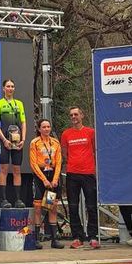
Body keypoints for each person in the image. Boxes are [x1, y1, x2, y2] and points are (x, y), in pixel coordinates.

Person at [60, 106, 100, 249]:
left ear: (82, 116)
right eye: (71, 115)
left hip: (88, 173)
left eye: (76, 114)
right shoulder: (66, 134)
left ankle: (93, 236)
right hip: (72, 174)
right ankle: (77, 237)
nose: (73, 117)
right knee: (73, 207)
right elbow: (64, 153)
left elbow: (96, 150)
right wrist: (73, 163)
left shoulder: (91, 132)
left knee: (91, 206)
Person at [29, 119, 65, 249]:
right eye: (44, 127)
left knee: (51, 207)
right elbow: (33, 163)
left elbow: (59, 162)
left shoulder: (55, 142)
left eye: (48, 126)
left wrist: (55, 179)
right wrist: (44, 179)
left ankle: (54, 240)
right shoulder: (35, 143)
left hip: (52, 177)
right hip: (40, 178)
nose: (46, 129)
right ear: (39, 129)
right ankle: (36, 239)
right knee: (38, 208)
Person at [0, 79, 27, 208]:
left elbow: (23, 122)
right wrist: (4, 139)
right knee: (4, 169)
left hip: (17, 141)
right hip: (4, 141)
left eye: (12, 86)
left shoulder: (19, 104)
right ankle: (3, 200)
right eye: (8, 86)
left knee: (17, 169)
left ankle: (18, 200)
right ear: (3, 88)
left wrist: (23, 139)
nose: (10, 88)